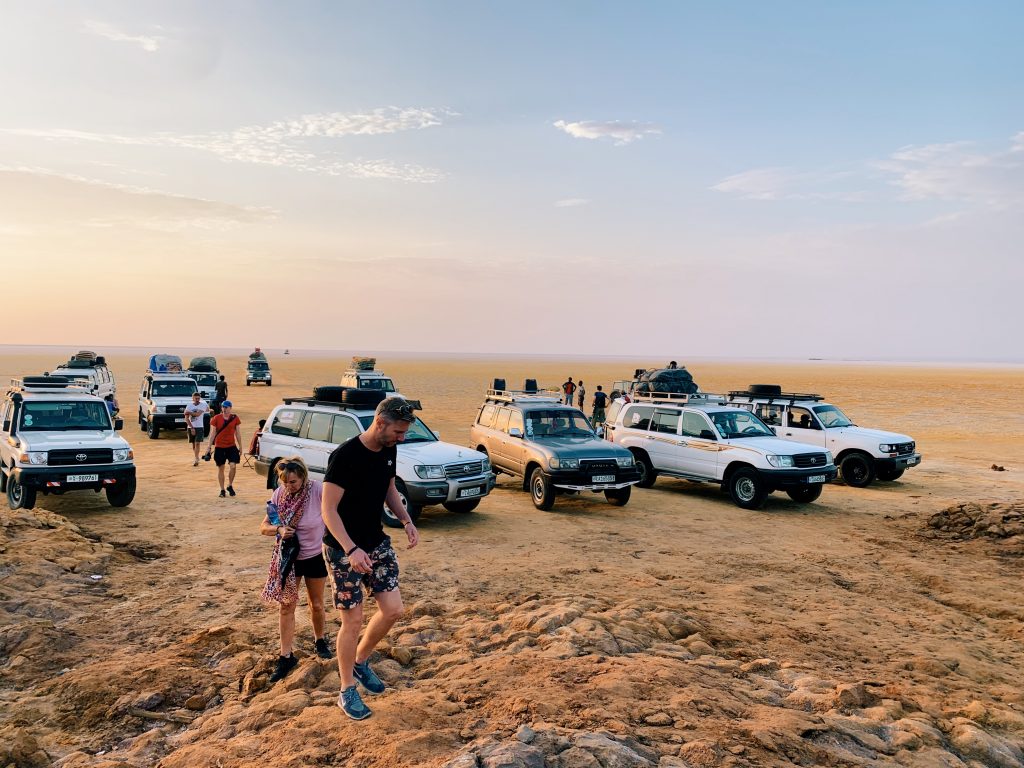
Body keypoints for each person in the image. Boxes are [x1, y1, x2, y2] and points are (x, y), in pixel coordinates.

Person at [321, 397, 420, 721]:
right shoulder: (345, 457)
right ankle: (347, 689)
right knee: (353, 620)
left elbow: (388, 488)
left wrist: (406, 520)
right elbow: (328, 510)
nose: (401, 438)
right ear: (380, 423)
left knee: (393, 610)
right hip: (342, 548)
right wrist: (350, 550)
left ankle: (361, 661)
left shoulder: (389, 450)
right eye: (398, 431)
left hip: (376, 542)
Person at [260, 457, 332, 683]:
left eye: (293, 482)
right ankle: (286, 655)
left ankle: (320, 640)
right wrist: (278, 529)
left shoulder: (318, 490)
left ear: (303, 477)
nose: (289, 487)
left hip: (315, 555)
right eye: (285, 482)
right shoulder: (279, 495)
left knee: (317, 603)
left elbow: (334, 513)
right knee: (286, 606)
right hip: (289, 558)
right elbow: (264, 527)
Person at [205, 400, 242, 497]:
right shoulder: (216, 418)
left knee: (233, 466)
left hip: (231, 446)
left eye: (226, 407)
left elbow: (237, 433)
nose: (224, 409)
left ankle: (230, 485)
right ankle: (222, 490)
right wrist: (209, 447)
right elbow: (212, 433)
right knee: (221, 468)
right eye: (223, 407)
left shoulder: (235, 418)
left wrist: (240, 446)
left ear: (230, 408)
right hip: (219, 447)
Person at [183, 391, 209, 467]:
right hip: (191, 427)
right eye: (196, 398)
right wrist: (191, 427)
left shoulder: (203, 405)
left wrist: (188, 412)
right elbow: (186, 418)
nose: (197, 400)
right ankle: (196, 456)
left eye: (198, 398)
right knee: (193, 444)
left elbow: (197, 414)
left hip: (200, 426)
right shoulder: (189, 405)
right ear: (193, 398)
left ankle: (196, 458)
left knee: (197, 443)